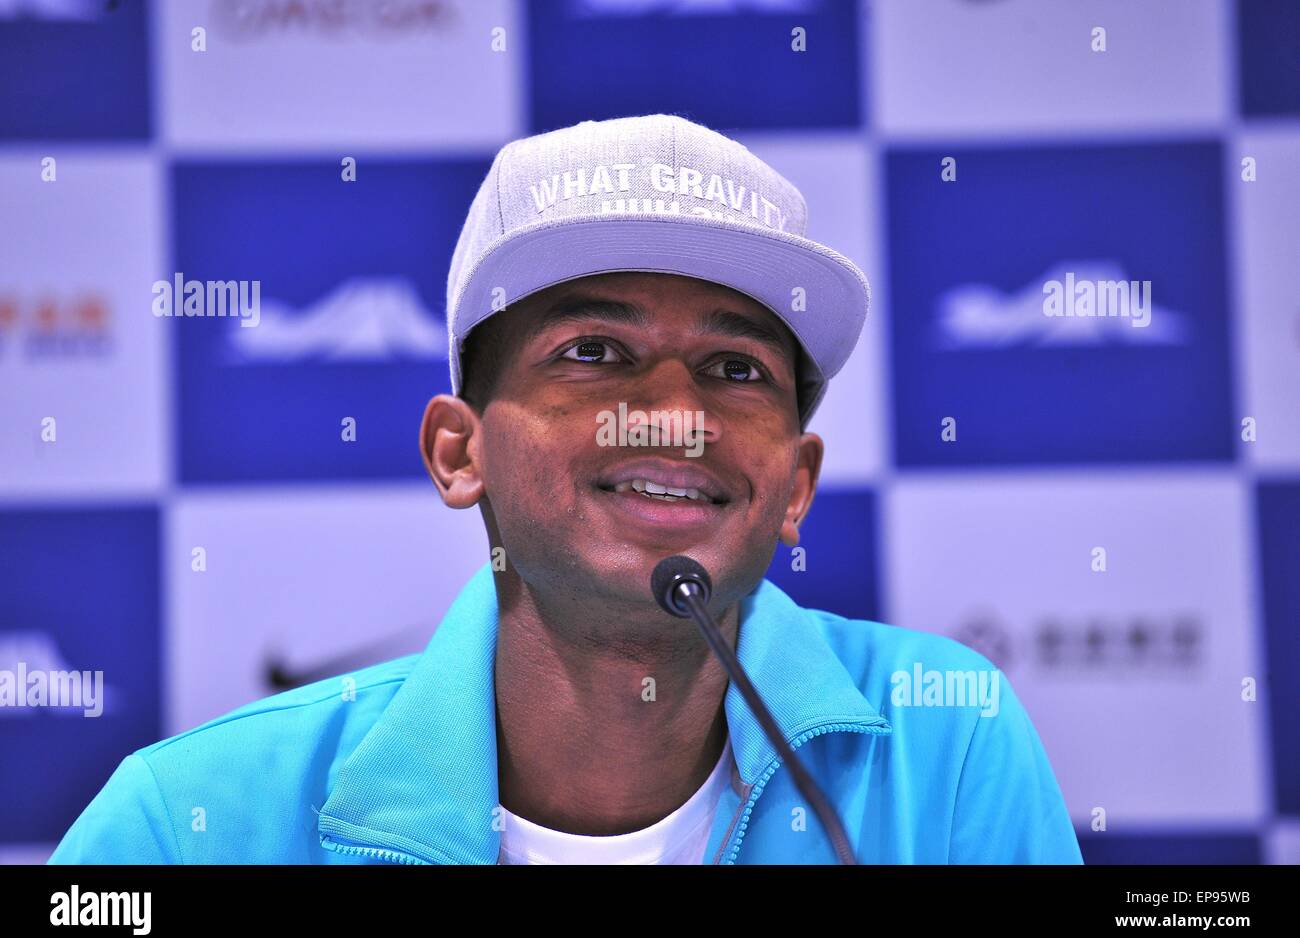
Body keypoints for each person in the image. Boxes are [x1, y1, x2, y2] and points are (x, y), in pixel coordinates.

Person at [48, 114, 1082, 865]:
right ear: (460, 453)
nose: (676, 414)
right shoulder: (183, 825)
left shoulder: (947, 743)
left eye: (735, 368)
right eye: (595, 350)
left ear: (797, 484)